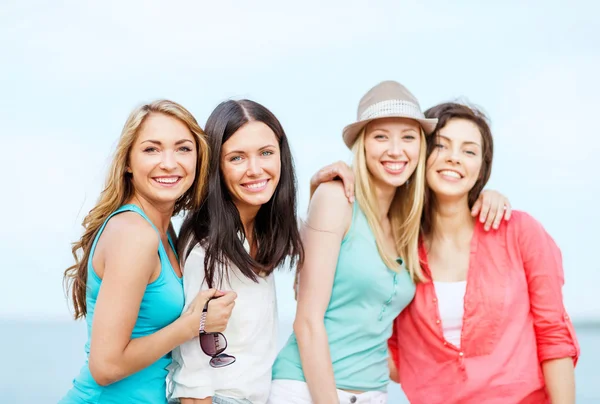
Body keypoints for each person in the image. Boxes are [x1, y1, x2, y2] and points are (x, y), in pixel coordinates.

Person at [386, 102, 579, 403]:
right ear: (420, 155)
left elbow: (553, 336)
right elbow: (392, 358)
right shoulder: (395, 246)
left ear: (482, 168)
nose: (454, 158)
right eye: (441, 145)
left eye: (469, 151)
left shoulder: (519, 232)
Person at [60, 100, 236, 404]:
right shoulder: (134, 233)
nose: (169, 163)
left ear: (199, 159)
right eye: (151, 149)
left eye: (183, 149)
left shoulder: (163, 232)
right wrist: (194, 325)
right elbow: (105, 367)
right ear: (128, 162)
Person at [168, 99, 304, 404]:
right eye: (237, 158)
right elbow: (192, 377)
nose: (255, 170)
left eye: (266, 153)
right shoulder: (206, 247)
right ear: (216, 165)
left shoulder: (260, 230)